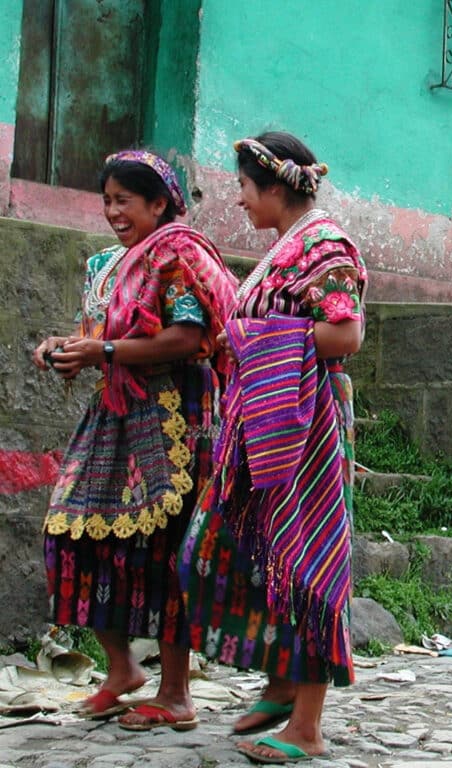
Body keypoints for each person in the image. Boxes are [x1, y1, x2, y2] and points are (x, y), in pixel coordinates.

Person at [178, 131, 367, 763]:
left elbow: (345, 334)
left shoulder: (325, 245)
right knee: (233, 551)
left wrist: (254, 338)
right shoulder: (288, 247)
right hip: (269, 422)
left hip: (307, 424)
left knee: (308, 564)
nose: (238, 199)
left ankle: (307, 727)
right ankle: (283, 681)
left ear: (274, 187)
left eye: (242, 186)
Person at [33, 150, 238, 729]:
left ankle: (176, 694)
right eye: (107, 201)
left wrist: (102, 351)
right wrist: (65, 348)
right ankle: (121, 669)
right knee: (69, 534)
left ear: (159, 203)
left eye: (124, 200)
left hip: (177, 413)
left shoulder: (176, 256)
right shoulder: (105, 264)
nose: (113, 212)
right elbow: (98, 334)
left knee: (167, 547)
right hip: (116, 413)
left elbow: (189, 337)